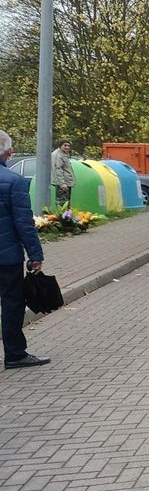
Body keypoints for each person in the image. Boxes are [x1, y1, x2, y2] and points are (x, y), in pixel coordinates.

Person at [1, 130, 50, 369]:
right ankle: (15, 354)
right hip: (6, 257)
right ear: (8, 152)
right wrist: (36, 255)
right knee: (12, 304)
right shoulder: (14, 181)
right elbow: (23, 223)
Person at [50, 139, 74, 207]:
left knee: (65, 203)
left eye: (68, 146)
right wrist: (62, 184)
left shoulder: (62, 154)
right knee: (63, 204)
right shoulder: (59, 155)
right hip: (63, 183)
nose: (67, 147)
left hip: (64, 182)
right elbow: (58, 170)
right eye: (65, 145)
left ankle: (65, 216)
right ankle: (63, 217)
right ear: (60, 146)